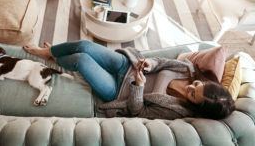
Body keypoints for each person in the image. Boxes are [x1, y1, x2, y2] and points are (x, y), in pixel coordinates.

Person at [23, 40, 235, 120]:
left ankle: (54, 58)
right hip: (127, 66)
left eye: (192, 94)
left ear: (195, 105)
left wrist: (139, 86)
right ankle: (48, 51)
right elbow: (161, 61)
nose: (191, 86)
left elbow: (138, 112)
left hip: (118, 90)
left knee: (81, 59)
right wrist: (151, 63)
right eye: (197, 85)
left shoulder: (176, 111)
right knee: (84, 46)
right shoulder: (189, 70)